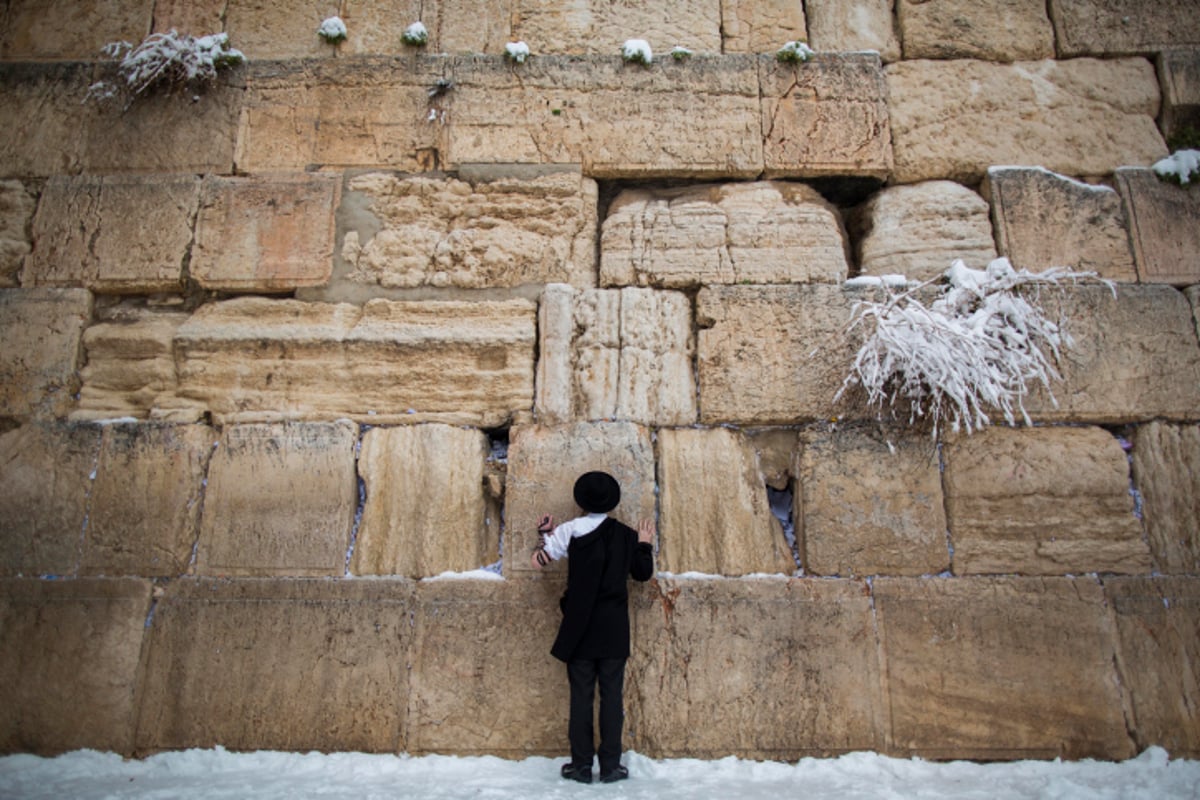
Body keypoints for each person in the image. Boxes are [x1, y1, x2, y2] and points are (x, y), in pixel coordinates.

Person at [529, 471, 655, 784]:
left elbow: (538, 561)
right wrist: (643, 544)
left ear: (580, 500)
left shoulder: (569, 530)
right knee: (612, 698)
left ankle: (582, 766)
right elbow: (642, 574)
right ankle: (611, 767)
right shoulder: (627, 535)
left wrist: (545, 534)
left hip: (580, 626)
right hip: (614, 628)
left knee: (581, 697)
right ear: (613, 501)